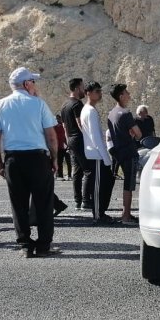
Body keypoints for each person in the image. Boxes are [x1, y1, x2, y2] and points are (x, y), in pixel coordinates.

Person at [0, 67, 59, 257]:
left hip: (14, 158)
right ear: (27, 84)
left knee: (18, 204)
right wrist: (54, 159)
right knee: (43, 203)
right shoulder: (39, 104)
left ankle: (25, 245)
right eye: (33, 82)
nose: (35, 85)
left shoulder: (1, 105)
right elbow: (51, 136)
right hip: (37, 158)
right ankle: (44, 245)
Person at [80, 81, 115, 225]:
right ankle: (98, 215)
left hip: (97, 154)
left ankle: (101, 212)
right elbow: (95, 137)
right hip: (96, 155)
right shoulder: (90, 111)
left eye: (100, 91)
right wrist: (106, 157)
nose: (99, 94)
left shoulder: (89, 110)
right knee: (98, 187)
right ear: (88, 93)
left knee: (106, 183)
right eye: (96, 91)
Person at [107, 84, 142, 225]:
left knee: (126, 184)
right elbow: (138, 134)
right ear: (121, 96)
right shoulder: (126, 114)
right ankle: (126, 216)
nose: (129, 94)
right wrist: (133, 134)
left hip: (118, 153)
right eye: (126, 92)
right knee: (129, 185)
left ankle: (125, 214)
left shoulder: (111, 113)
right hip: (129, 152)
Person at [59, 78, 88, 209]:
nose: (84, 90)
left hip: (70, 140)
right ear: (77, 88)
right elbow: (80, 124)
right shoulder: (78, 104)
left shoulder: (64, 106)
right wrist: (90, 139)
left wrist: (68, 143)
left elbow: (65, 127)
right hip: (79, 139)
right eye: (82, 87)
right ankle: (86, 201)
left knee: (77, 172)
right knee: (88, 171)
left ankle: (77, 201)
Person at [53, 116, 69, 181]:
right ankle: (56, 175)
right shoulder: (53, 127)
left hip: (61, 147)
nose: (58, 120)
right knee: (56, 161)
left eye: (59, 119)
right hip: (55, 147)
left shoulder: (63, 127)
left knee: (60, 162)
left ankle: (60, 175)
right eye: (57, 119)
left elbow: (64, 137)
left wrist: (67, 144)